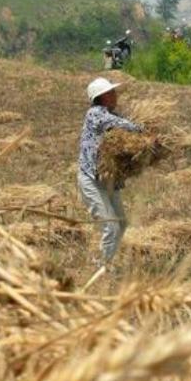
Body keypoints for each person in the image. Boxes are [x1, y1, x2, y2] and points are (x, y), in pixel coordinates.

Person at [78, 77, 142, 265]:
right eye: (111, 92)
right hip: (91, 180)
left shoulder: (111, 114)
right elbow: (123, 125)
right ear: (103, 97)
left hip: (108, 178)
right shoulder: (95, 114)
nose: (115, 95)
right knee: (111, 226)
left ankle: (104, 262)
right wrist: (140, 129)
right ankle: (102, 267)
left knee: (121, 224)